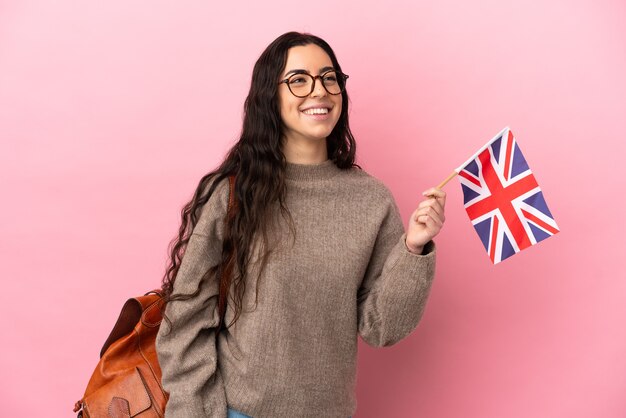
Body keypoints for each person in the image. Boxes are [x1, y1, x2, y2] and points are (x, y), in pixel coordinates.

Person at [155, 31, 446, 418]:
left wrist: (414, 248)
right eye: (298, 80)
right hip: (238, 412)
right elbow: (185, 321)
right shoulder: (234, 193)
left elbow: (381, 328)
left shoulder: (371, 200)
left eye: (329, 78)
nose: (319, 91)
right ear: (269, 97)